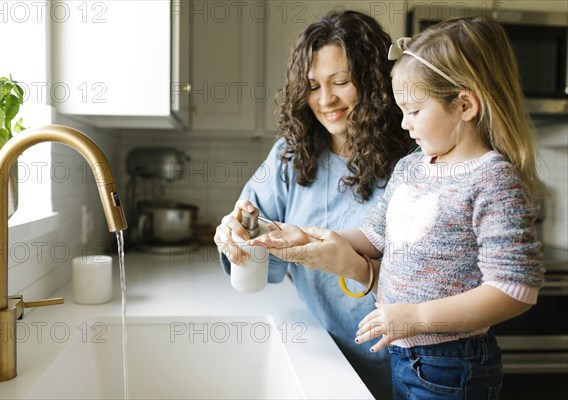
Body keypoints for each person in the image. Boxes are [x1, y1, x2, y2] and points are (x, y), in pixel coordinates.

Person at [249, 16, 546, 400]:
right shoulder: (412, 167)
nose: (404, 124)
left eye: (414, 111)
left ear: (464, 105)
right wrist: (309, 235)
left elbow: (515, 289)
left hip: (453, 363)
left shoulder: (491, 180)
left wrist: (417, 317)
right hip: (404, 355)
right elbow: (374, 237)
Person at [214, 10, 412, 399]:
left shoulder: (413, 160)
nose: (326, 100)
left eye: (340, 82)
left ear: (373, 82)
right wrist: (237, 236)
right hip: (321, 356)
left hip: (402, 367)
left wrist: (353, 265)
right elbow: (261, 261)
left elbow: (433, 282)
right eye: (313, 86)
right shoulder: (290, 157)